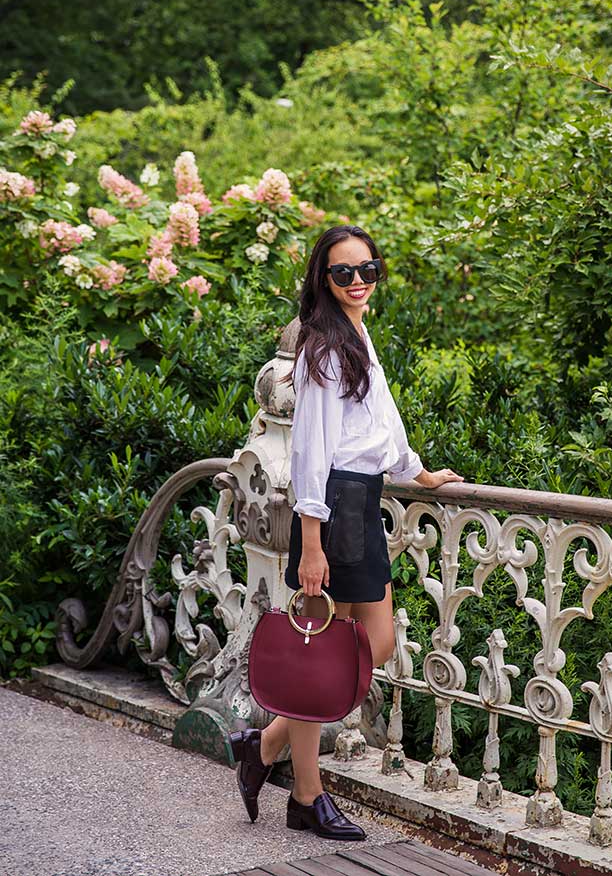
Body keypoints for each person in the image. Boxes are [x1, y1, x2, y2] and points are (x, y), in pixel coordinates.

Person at [229, 224, 463, 840]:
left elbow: (378, 418)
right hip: (329, 505)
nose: (358, 281)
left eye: (368, 269)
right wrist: (310, 542)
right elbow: (313, 447)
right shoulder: (323, 349)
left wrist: (416, 471)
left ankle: (265, 745)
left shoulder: (356, 333)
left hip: (362, 500)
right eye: (343, 272)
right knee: (321, 652)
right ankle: (307, 795)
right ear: (322, 279)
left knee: (371, 643)